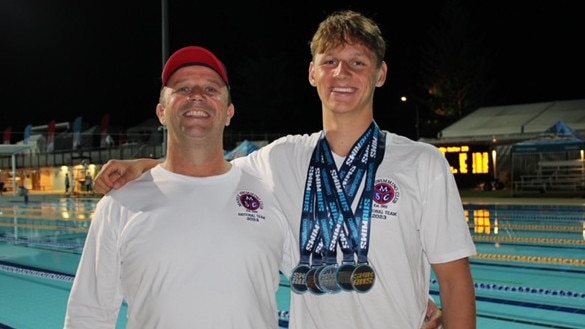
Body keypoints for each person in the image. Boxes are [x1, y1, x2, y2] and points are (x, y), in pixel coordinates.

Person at [94, 10, 475, 329]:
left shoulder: (422, 163)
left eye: (358, 62)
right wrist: (144, 166)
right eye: (330, 62)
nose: (342, 73)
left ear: (380, 74)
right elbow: (203, 169)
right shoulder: (281, 159)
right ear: (313, 73)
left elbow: (456, 283)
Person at [64, 46, 296, 328]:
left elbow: (316, 287)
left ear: (228, 112)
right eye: (183, 89)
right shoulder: (120, 202)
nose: (197, 96)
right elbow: (90, 314)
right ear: (161, 112)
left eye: (211, 90)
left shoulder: (270, 196)